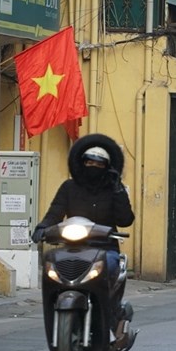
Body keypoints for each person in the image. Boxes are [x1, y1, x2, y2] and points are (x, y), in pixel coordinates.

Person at [31, 134, 135, 320]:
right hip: (73, 248)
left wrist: (118, 190)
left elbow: (125, 220)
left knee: (110, 267)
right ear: (82, 163)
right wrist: (43, 227)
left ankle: (110, 311)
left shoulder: (114, 188)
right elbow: (55, 212)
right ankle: (55, 305)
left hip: (105, 248)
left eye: (99, 164)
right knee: (51, 265)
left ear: (107, 167)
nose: (93, 167)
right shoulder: (69, 187)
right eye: (89, 163)